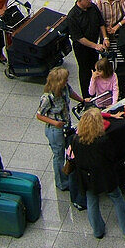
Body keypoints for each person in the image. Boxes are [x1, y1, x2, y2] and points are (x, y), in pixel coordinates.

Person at [70, 108, 125, 239]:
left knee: (92, 202)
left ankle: (98, 231)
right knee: (117, 198)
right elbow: (112, 157)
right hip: (105, 176)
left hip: (86, 177)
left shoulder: (76, 140)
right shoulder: (102, 141)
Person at [35, 66, 85, 208]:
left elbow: (71, 93)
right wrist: (55, 123)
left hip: (66, 125)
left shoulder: (64, 89)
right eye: (64, 80)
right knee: (58, 155)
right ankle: (62, 182)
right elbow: (39, 115)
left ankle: (67, 176)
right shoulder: (47, 97)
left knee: (69, 152)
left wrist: (82, 100)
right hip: (55, 129)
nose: (67, 82)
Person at [67, 0, 108, 97]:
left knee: (96, 68)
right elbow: (79, 38)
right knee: (85, 72)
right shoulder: (72, 16)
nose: (90, 1)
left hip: (95, 46)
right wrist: (95, 46)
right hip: (82, 50)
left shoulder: (92, 7)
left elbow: (101, 23)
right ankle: (87, 97)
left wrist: (105, 38)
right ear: (79, 1)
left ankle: (97, 92)